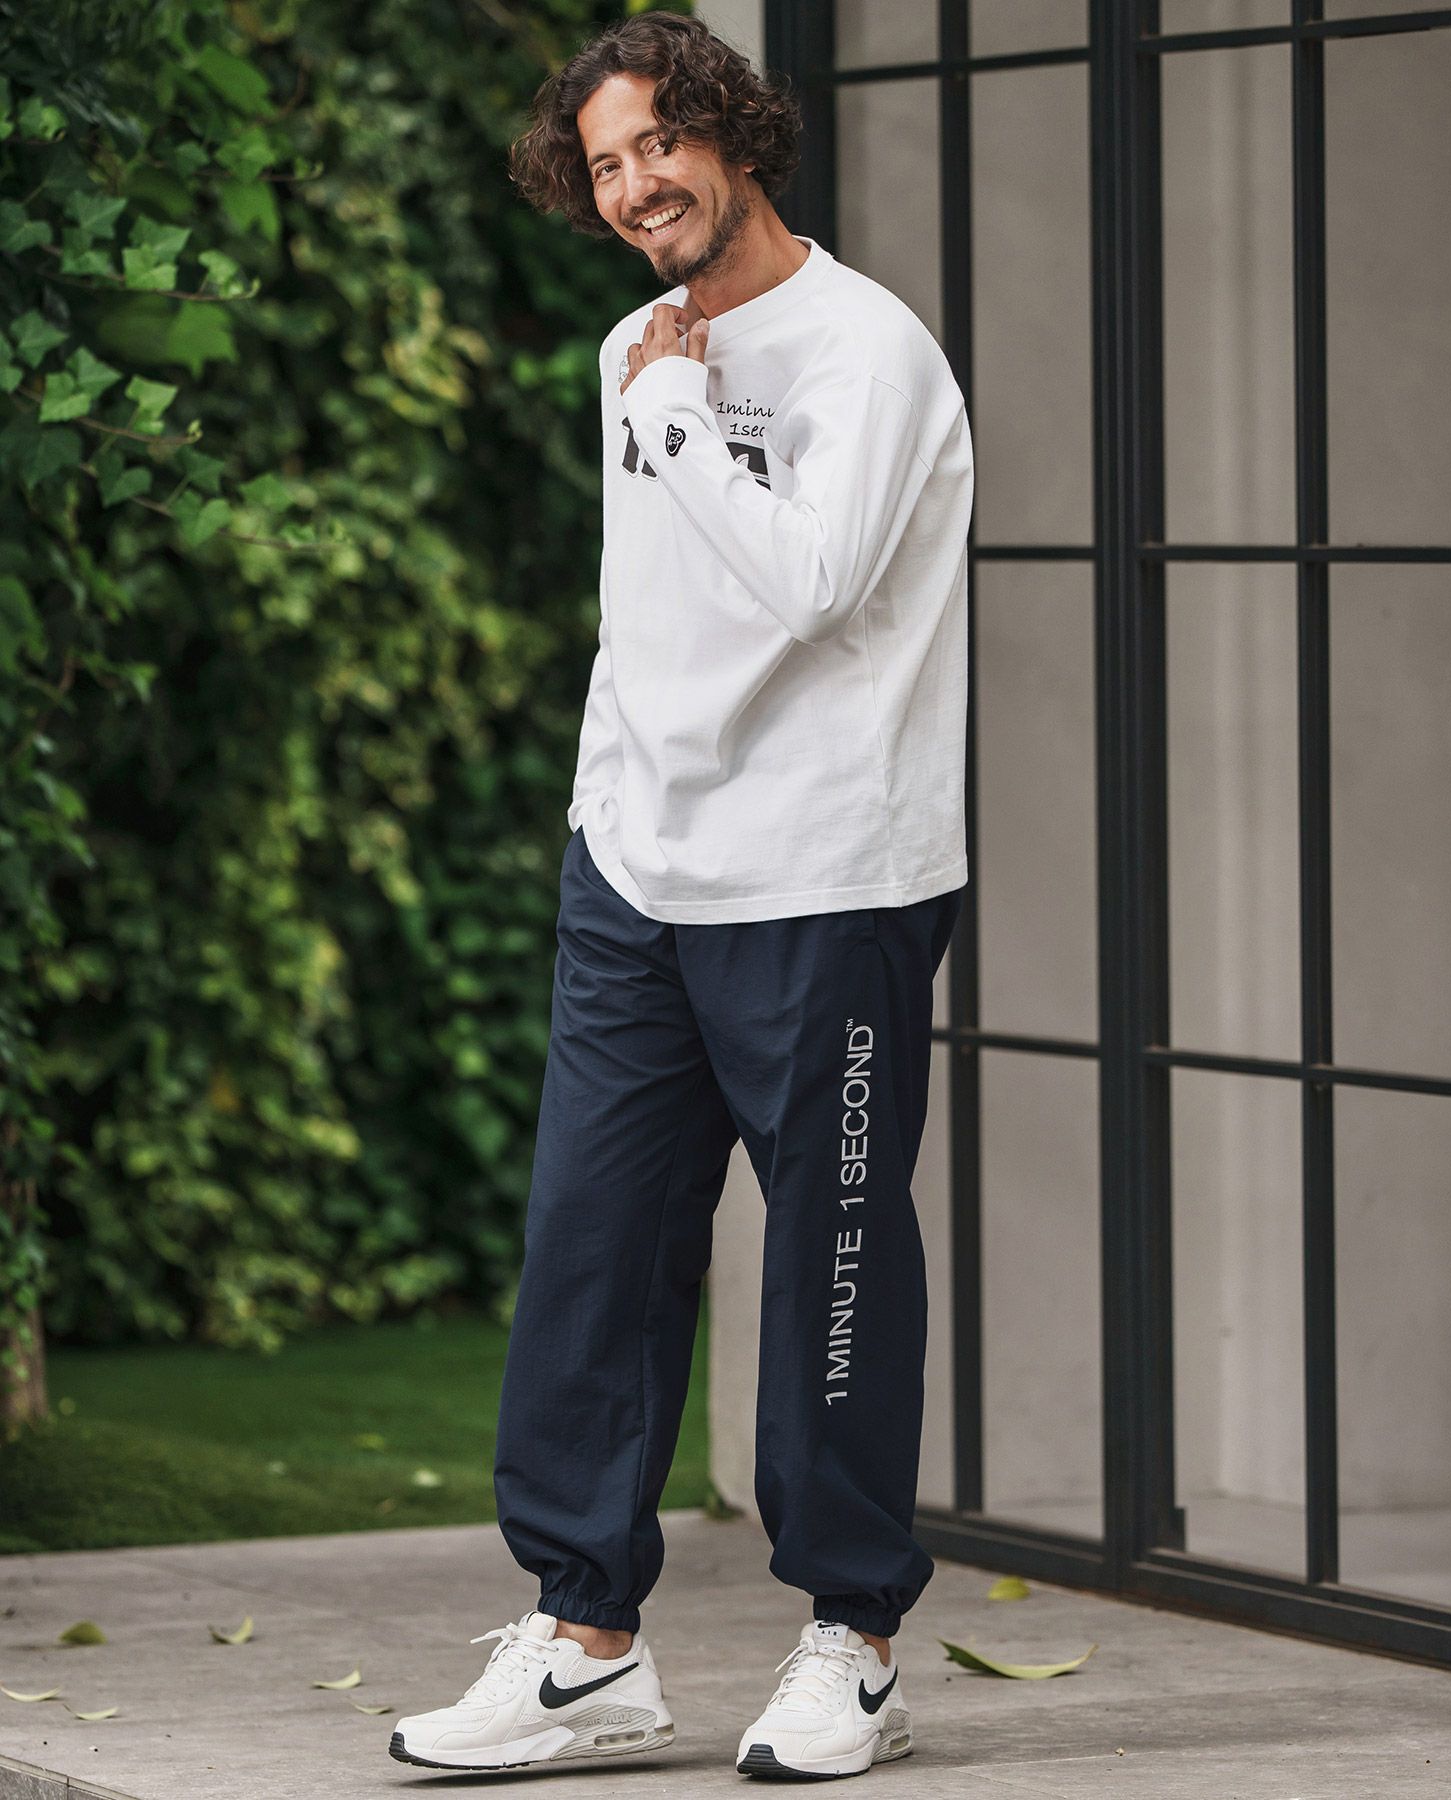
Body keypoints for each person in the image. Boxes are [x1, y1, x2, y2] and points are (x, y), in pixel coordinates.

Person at [390, 11, 972, 1783]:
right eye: (606, 165)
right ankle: (586, 1646)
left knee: (833, 1257)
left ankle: (854, 1643)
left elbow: (814, 582)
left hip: (825, 881)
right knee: (593, 1249)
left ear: (731, 131)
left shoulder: (867, 352)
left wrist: (673, 408)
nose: (638, 185)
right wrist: (602, 810)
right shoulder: (625, 349)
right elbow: (642, 613)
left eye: (661, 142)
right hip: (638, 874)